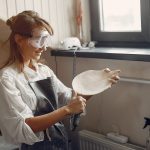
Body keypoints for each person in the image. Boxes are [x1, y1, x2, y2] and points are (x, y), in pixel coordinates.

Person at [0, 10, 120, 150]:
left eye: (45, 39)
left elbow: (71, 100)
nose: (44, 47)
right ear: (19, 39)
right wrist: (67, 109)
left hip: (56, 143)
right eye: (38, 40)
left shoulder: (44, 71)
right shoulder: (7, 78)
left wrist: (97, 84)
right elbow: (25, 126)